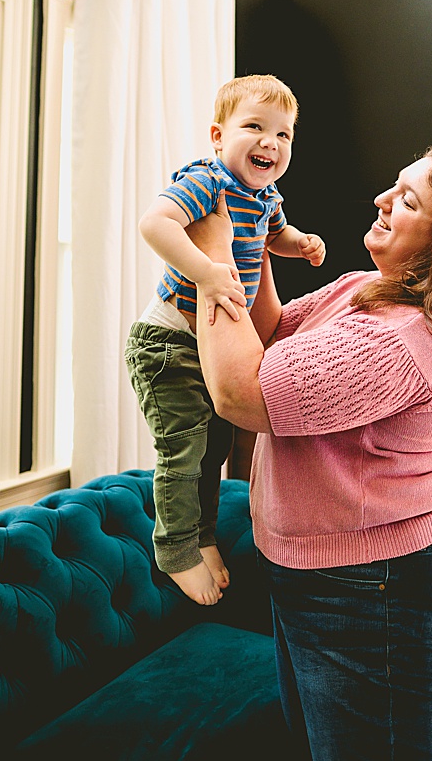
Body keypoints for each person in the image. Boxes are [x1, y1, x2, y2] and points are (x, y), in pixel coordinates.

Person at [192, 146, 432, 761]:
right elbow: (275, 332)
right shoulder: (363, 290)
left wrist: (209, 258)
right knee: (324, 758)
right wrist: (251, 238)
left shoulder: (403, 338)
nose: (381, 200)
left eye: (407, 199)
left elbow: (241, 393)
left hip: (382, 583)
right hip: (325, 572)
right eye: (391, 186)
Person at [129, 74, 325, 605]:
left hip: (204, 348)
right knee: (185, 448)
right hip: (166, 343)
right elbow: (155, 223)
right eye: (255, 127)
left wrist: (299, 243)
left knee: (215, 450)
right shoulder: (207, 181)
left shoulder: (265, 196)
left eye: (283, 135)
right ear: (218, 136)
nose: (271, 142)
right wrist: (207, 271)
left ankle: (203, 536)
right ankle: (173, 549)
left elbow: (273, 235)